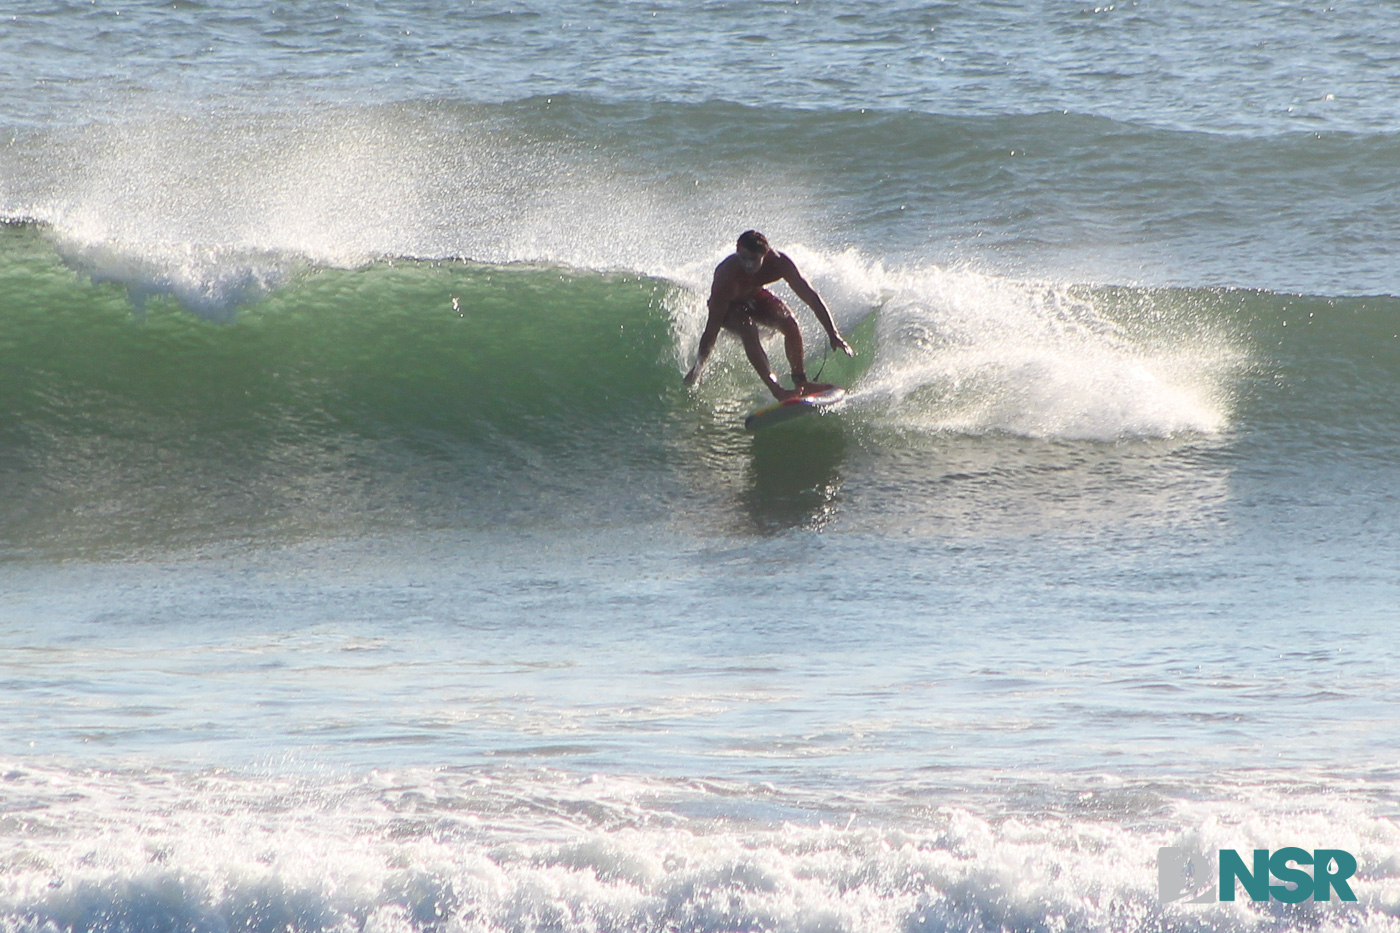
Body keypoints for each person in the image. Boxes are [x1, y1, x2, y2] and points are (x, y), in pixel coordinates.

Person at [684, 230, 854, 401]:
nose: (748, 265)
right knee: (748, 329)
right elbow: (711, 328)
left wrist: (832, 333)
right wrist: (698, 368)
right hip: (728, 307)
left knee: (790, 324)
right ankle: (777, 390)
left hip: (754, 296)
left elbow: (810, 297)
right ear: (737, 250)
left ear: (765, 254)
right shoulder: (726, 276)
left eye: (753, 260)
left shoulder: (779, 264)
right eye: (743, 258)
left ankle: (801, 383)